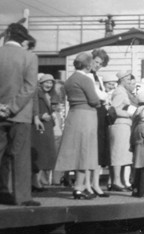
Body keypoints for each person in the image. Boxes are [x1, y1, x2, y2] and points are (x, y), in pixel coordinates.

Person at [0, 22, 40, 207]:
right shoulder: (29, 57)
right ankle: (22, 197)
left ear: (7, 35)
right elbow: (29, 88)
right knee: (20, 156)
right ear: (24, 39)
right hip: (20, 115)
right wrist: (11, 107)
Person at [54, 52, 102, 200]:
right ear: (88, 65)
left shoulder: (69, 80)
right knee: (85, 152)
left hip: (73, 114)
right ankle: (79, 188)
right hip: (86, 116)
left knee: (76, 151)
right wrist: (100, 103)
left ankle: (78, 187)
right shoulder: (86, 79)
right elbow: (94, 100)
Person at [108, 71, 137, 191]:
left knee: (123, 154)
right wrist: (130, 114)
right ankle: (116, 181)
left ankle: (119, 181)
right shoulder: (120, 92)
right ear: (123, 80)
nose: (130, 82)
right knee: (118, 154)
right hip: (120, 124)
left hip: (124, 125)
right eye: (128, 80)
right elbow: (113, 109)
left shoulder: (123, 92)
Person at [31, 74, 58, 191]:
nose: (49, 85)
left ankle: (39, 181)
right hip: (39, 127)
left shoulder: (50, 95)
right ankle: (35, 182)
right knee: (39, 155)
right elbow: (32, 108)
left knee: (45, 155)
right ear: (41, 83)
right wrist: (41, 116)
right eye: (46, 82)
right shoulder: (37, 93)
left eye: (51, 82)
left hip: (47, 126)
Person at [90, 49, 111, 191]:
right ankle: (90, 184)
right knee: (93, 148)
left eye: (100, 63)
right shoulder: (87, 76)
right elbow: (100, 95)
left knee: (99, 149)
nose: (98, 65)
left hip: (101, 113)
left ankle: (95, 183)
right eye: (96, 62)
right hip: (93, 112)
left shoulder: (98, 77)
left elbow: (103, 96)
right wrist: (104, 96)